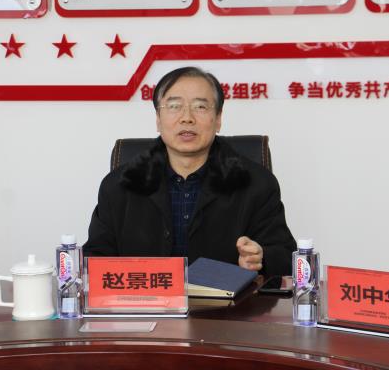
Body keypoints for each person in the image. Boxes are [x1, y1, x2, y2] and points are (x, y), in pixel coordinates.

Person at [84, 66, 296, 276]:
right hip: (145, 297)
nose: (187, 118)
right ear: (158, 119)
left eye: (200, 107)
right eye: (174, 106)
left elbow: (286, 257)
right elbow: (93, 260)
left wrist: (261, 258)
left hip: (229, 299)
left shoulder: (256, 183)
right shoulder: (118, 185)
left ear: (218, 119)